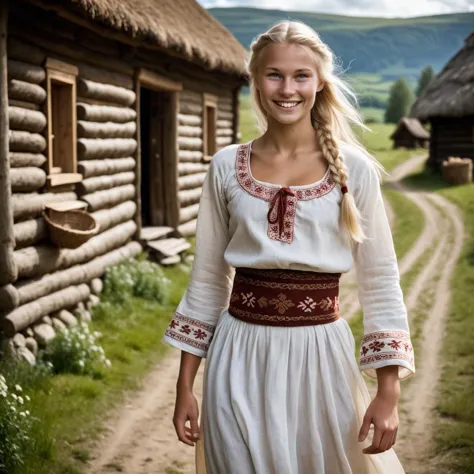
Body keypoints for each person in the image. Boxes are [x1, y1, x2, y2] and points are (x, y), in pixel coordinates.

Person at [162, 20, 415, 474]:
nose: (287, 88)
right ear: (256, 81)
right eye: (274, 74)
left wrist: (388, 391)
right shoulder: (225, 167)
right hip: (237, 356)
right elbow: (206, 280)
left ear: (320, 82)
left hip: (320, 360)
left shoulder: (354, 171)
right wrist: (186, 387)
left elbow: (380, 281)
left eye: (301, 75)